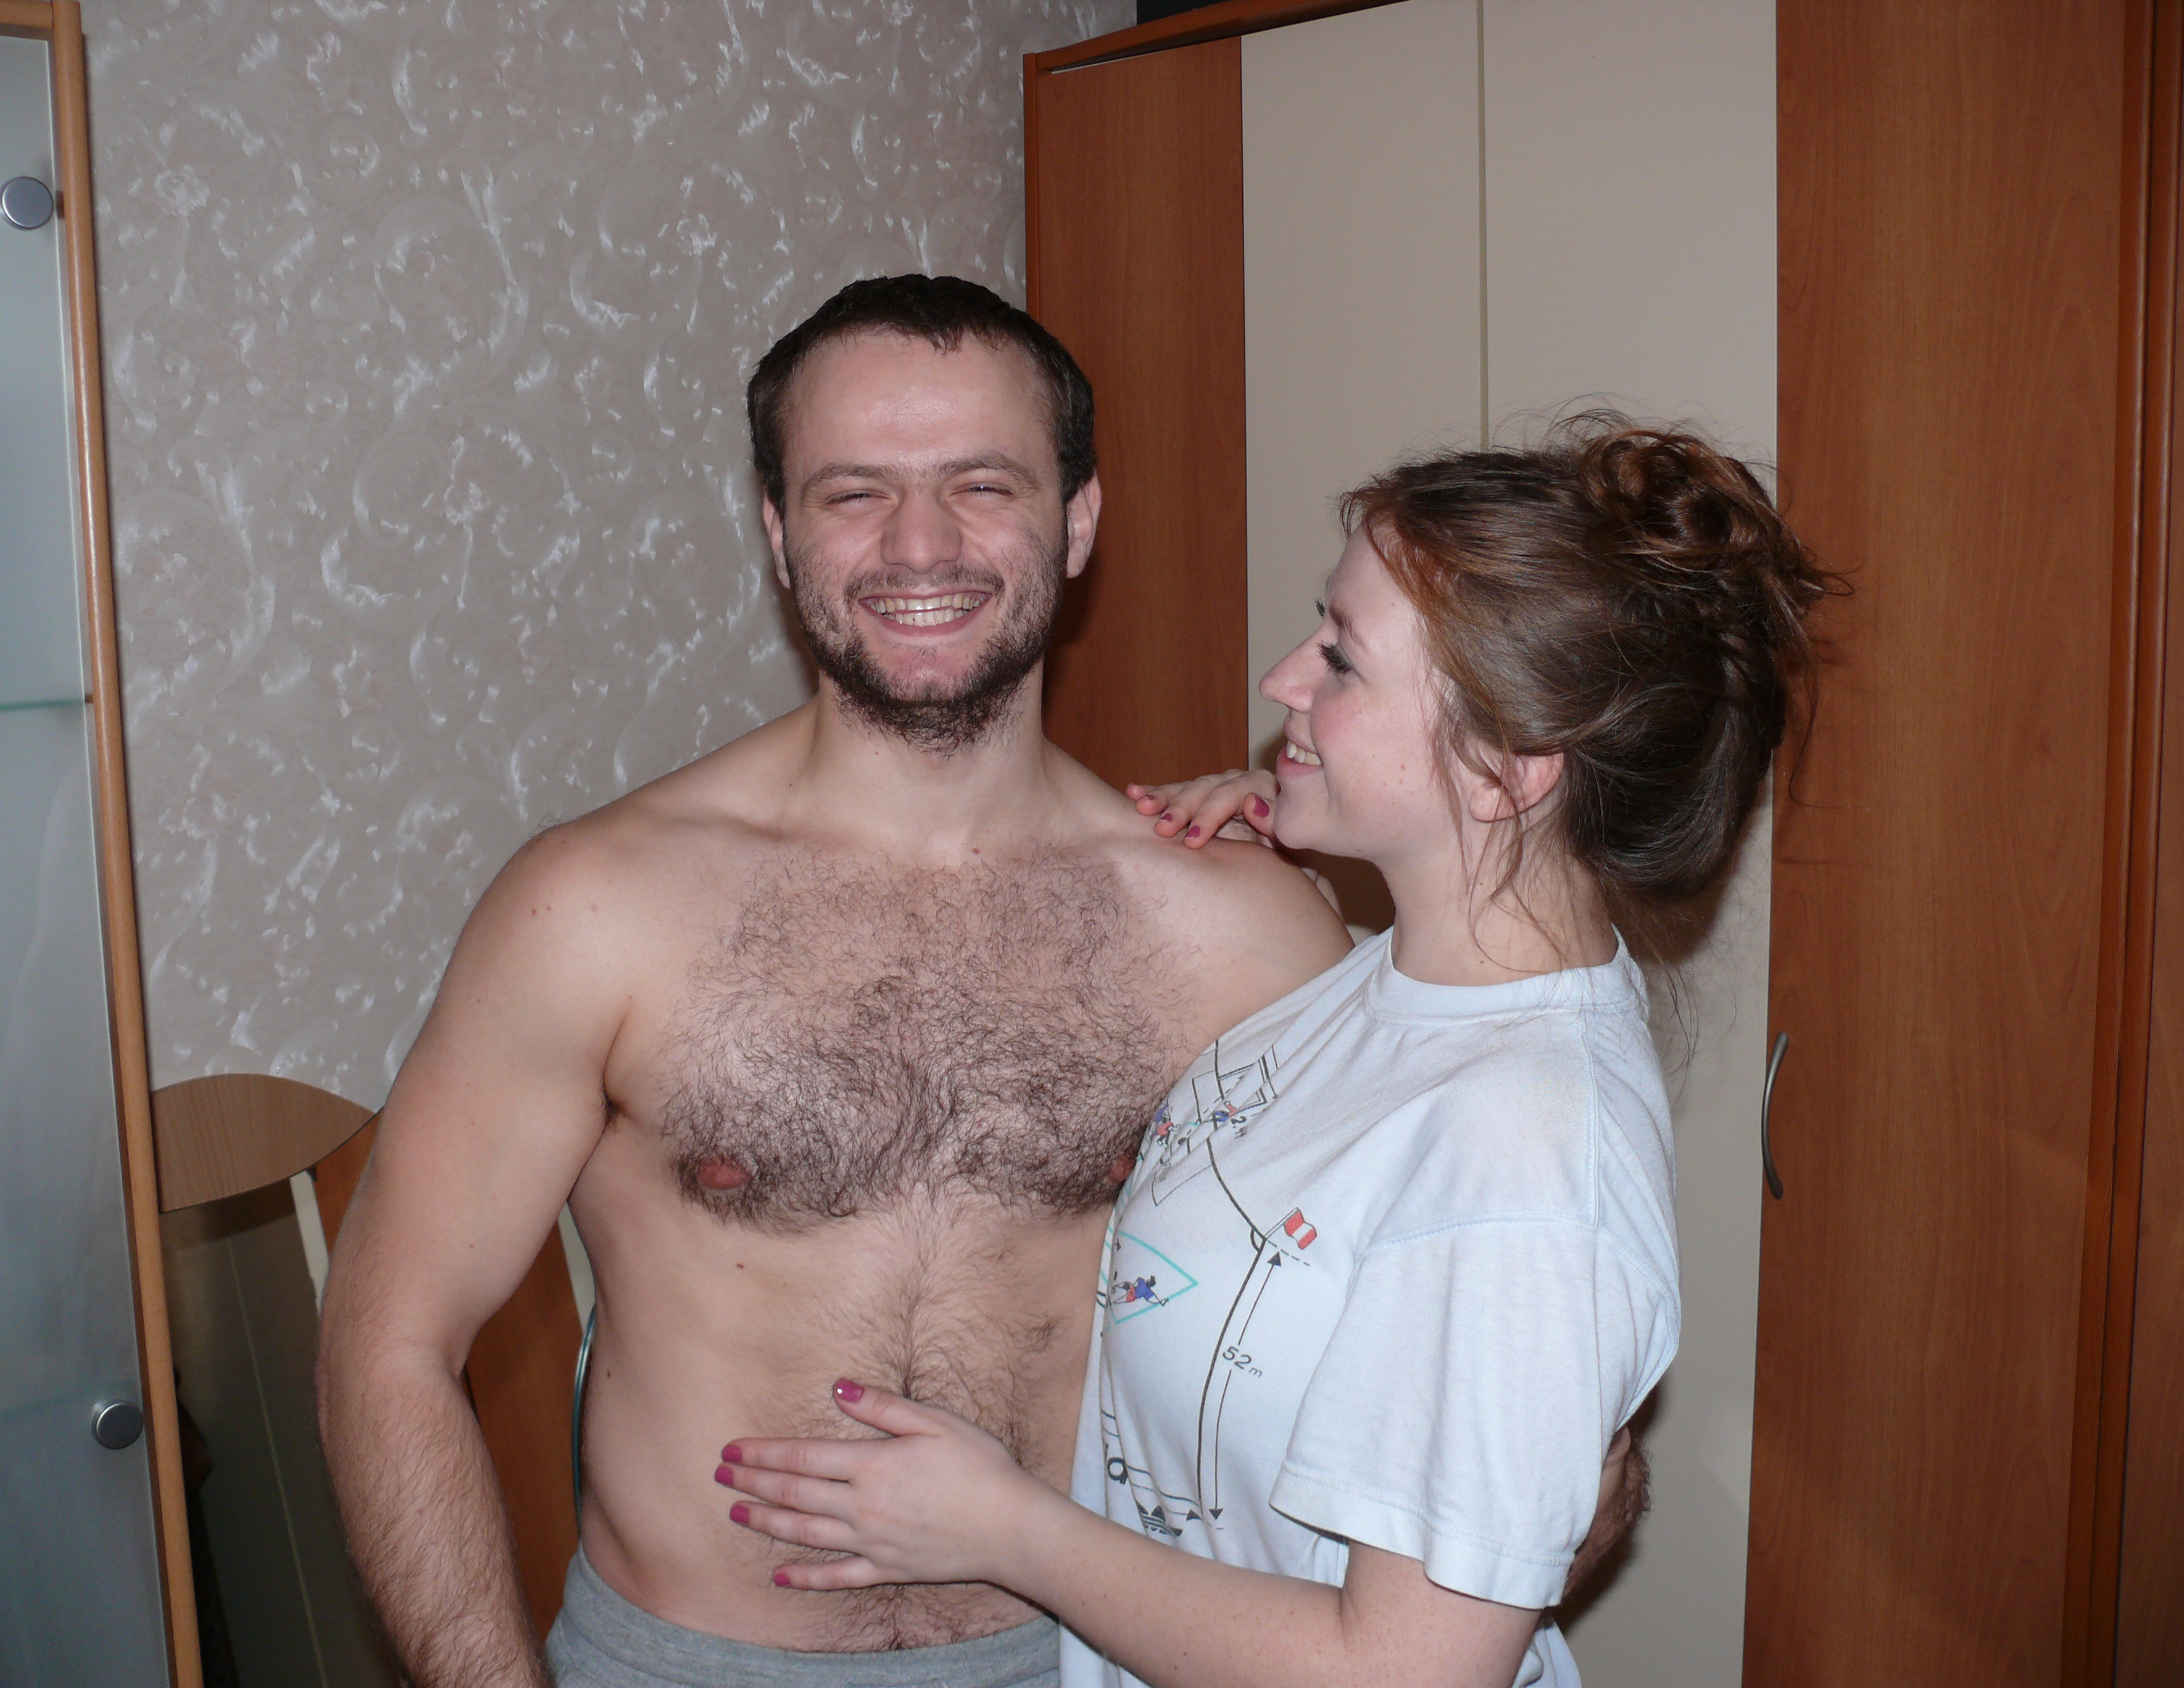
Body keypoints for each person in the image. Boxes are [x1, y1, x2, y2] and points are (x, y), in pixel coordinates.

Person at [713, 417, 1832, 1687]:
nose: (1284, 681)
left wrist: (1004, 1531)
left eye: (1343, 662)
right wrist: (1312, 844)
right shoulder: (1398, 985)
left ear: (1507, 771)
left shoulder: (1520, 1159)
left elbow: (1401, 1674)